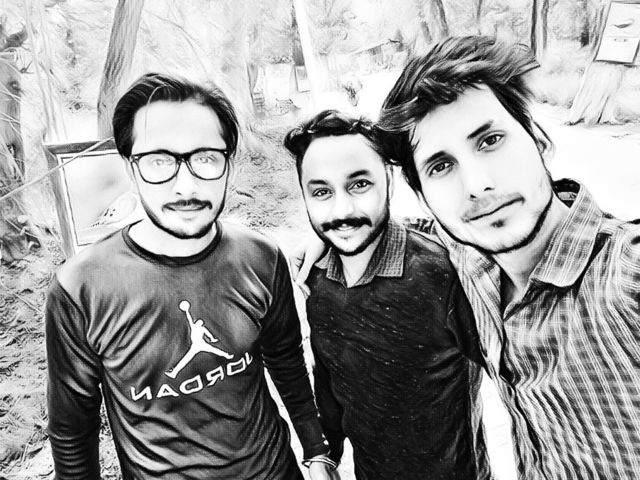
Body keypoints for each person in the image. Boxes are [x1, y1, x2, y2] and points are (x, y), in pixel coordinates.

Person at [296, 36, 640, 479]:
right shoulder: (475, 264)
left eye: (490, 140)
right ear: (423, 194)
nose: (477, 185)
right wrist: (332, 230)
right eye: (441, 166)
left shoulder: (624, 277)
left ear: (538, 139)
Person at [45, 73, 336, 479]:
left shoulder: (261, 257)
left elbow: (287, 361)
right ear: (130, 168)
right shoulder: (81, 288)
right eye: (159, 161)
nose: (186, 186)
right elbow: (73, 431)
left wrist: (317, 451)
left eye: (205, 158)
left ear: (228, 164)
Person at [284, 110, 492, 479]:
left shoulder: (442, 272)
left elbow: (522, 372)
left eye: (359, 184)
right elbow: (328, 378)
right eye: (321, 192)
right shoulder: (315, 278)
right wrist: (325, 454)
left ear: (389, 180)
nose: (342, 210)